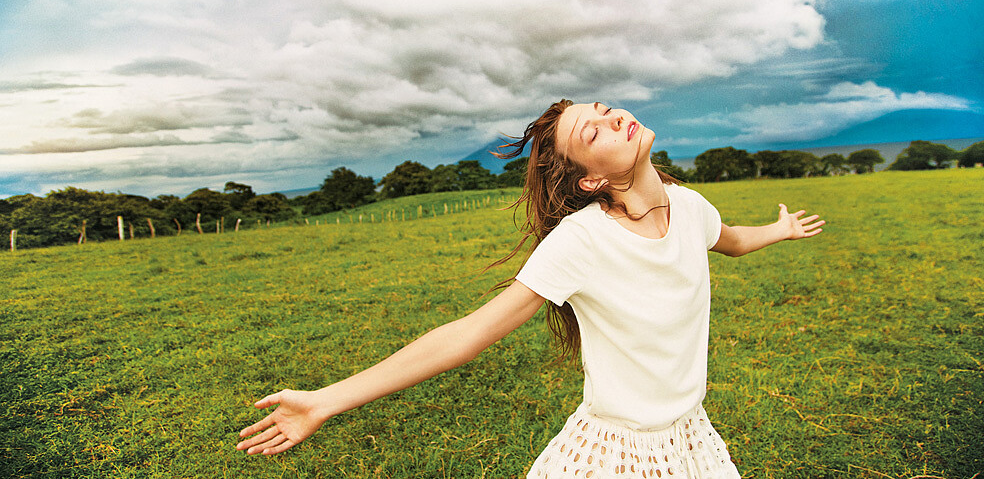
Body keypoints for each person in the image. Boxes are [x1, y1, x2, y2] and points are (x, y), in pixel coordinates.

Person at [236, 99, 825, 477]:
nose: (616, 117)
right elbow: (467, 335)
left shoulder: (692, 207)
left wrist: (780, 229)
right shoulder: (582, 241)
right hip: (618, 454)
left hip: (691, 440)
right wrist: (326, 399)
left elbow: (732, 240)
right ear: (592, 178)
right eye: (594, 132)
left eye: (605, 110)